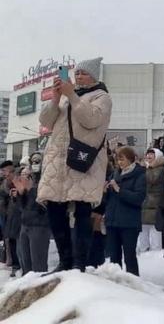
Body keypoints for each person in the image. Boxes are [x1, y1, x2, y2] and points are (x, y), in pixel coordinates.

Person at [37, 57, 112, 272]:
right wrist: (55, 98)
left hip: (82, 160)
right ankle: (65, 260)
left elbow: (91, 119)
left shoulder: (102, 96)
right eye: (77, 73)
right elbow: (45, 121)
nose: (78, 76)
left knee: (82, 210)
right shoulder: (66, 97)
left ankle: (80, 262)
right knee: (54, 207)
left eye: (84, 73)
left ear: (94, 76)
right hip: (58, 162)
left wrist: (71, 95)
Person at [105, 146, 146, 275]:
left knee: (129, 256)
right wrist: (105, 191)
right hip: (113, 221)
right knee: (114, 257)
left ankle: (133, 282)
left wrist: (119, 190)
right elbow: (109, 199)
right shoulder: (115, 173)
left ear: (131, 159)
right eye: (118, 159)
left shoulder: (140, 175)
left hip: (129, 223)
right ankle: (116, 283)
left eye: (122, 159)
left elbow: (138, 198)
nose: (119, 162)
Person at [13, 166, 50, 274]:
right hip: (25, 226)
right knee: (25, 263)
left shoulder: (42, 187)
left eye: (26, 175)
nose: (22, 178)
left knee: (38, 264)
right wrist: (20, 194)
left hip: (39, 227)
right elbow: (21, 208)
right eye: (22, 174)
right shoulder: (26, 190)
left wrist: (30, 190)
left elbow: (41, 208)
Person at [138, 148, 164, 252]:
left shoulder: (160, 169)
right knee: (143, 233)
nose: (148, 156)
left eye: (151, 154)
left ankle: (155, 258)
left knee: (155, 234)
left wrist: (145, 168)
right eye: (147, 154)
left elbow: (151, 179)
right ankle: (143, 252)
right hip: (144, 204)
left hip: (155, 205)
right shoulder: (147, 168)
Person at [0, 160, 21, 277]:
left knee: (18, 241)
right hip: (9, 215)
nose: (4, 174)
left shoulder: (19, 179)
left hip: (19, 215)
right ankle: (15, 265)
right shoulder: (4, 184)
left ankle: (18, 265)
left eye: (5, 171)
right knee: (11, 240)